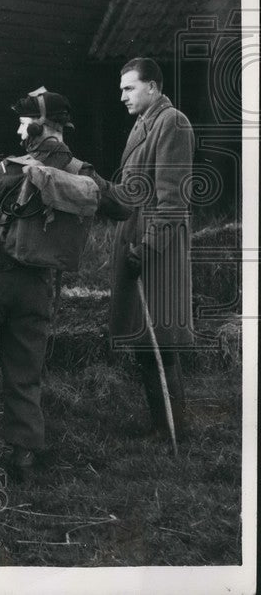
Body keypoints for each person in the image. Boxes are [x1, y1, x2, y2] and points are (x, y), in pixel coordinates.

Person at [0, 88, 126, 481]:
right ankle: (23, 459)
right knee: (25, 369)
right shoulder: (83, 174)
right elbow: (121, 206)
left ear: (37, 126)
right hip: (38, 283)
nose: (19, 133)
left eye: (23, 124)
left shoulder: (8, 170)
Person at [109, 58, 195, 441]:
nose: (122, 96)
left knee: (162, 340)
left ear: (153, 88)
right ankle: (160, 426)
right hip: (138, 239)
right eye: (122, 88)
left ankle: (173, 430)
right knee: (147, 339)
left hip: (158, 250)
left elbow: (173, 201)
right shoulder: (143, 124)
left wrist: (146, 248)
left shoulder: (172, 123)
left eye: (129, 87)